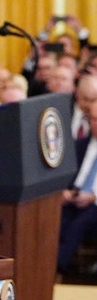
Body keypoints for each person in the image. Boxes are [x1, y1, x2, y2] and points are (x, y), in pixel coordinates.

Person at [58, 76, 97, 272]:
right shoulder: (80, 146)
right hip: (72, 198)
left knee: (78, 225)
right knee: (54, 219)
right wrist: (64, 192)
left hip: (94, 204)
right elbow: (66, 175)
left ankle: (56, 268)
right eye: (93, 119)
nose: (95, 124)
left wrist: (93, 197)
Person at [72, 74, 97, 140]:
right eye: (86, 99)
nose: (89, 104)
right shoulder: (65, 110)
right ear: (77, 94)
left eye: (93, 100)